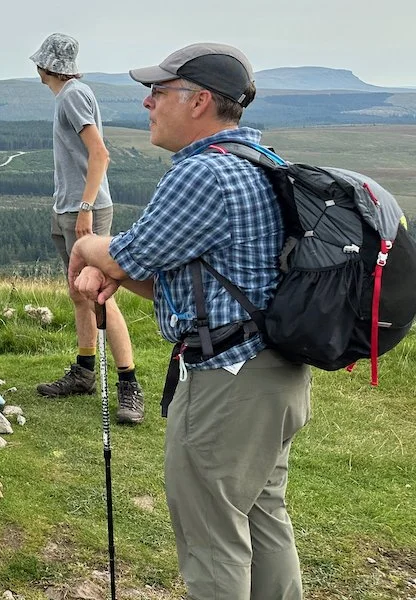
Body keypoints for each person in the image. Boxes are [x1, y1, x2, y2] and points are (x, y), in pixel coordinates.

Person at [68, 43, 311, 599]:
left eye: (159, 92)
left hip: (227, 383)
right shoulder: (260, 161)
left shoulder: (202, 173)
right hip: (276, 375)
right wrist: (115, 270)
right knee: (261, 516)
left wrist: (89, 252)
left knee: (213, 538)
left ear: (199, 100)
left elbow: (127, 253)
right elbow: (177, 276)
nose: (147, 103)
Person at [29, 33, 144, 424]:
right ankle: (83, 372)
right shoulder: (70, 95)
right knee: (79, 293)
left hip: (83, 210)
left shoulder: (73, 95)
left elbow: (100, 152)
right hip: (68, 208)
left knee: (98, 294)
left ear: (46, 65)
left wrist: (85, 207)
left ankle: (129, 385)